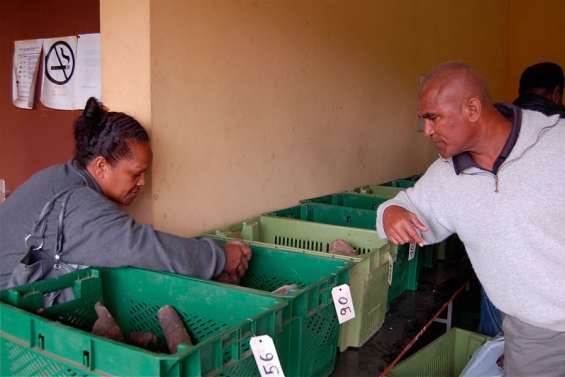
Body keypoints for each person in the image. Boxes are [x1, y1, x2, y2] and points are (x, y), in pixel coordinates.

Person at [377, 62, 565, 376]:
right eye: (423, 120)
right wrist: (392, 214)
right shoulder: (446, 177)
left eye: (433, 118)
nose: (427, 131)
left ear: (473, 108)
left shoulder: (555, 142)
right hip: (534, 336)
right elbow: (403, 205)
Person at [0, 97, 250, 297]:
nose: (142, 183)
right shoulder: (77, 201)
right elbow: (143, 247)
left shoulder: (61, 176)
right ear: (100, 166)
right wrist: (221, 257)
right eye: (135, 174)